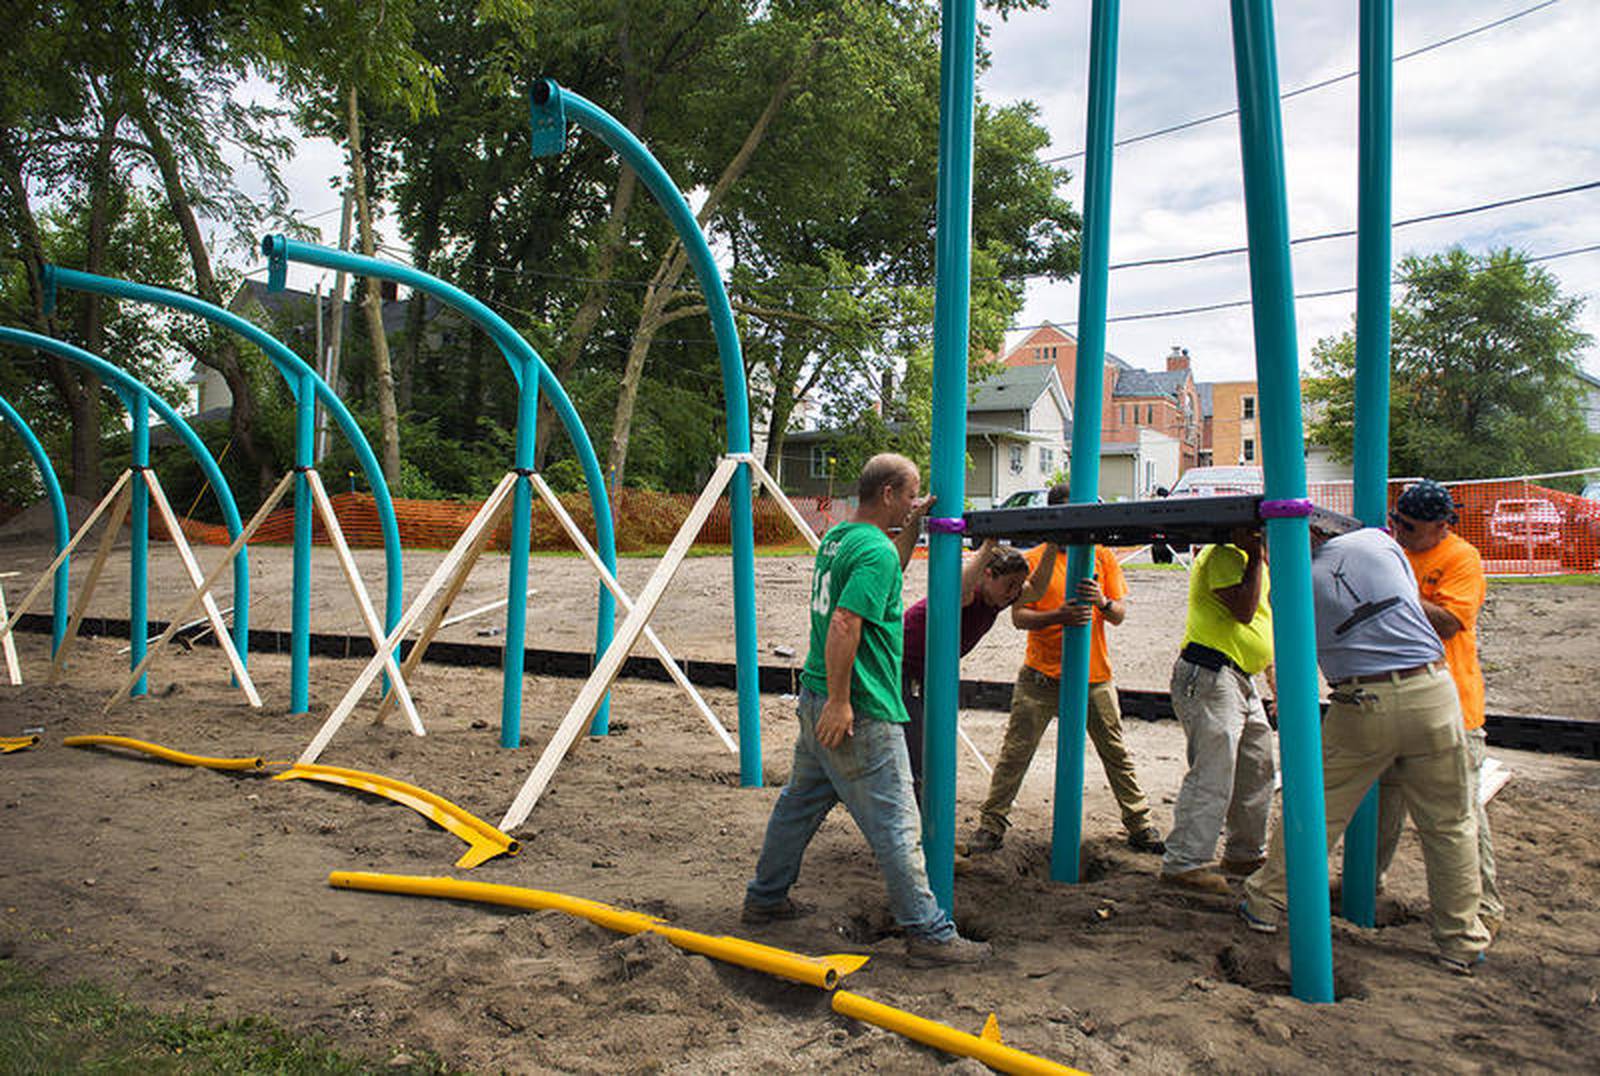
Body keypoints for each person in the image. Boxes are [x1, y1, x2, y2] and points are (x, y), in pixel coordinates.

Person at [744, 453, 990, 965]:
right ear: (887, 495)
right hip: (860, 708)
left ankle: (764, 900)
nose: (914, 500)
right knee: (899, 821)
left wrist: (915, 526)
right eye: (910, 494)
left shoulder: (842, 538)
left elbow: (886, 570)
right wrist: (841, 702)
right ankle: (928, 934)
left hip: (814, 698)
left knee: (799, 805)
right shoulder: (872, 551)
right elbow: (845, 623)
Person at [1241, 517, 1491, 975]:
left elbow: (1297, 645)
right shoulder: (1378, 541)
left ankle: (1266, 902)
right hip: (1432, 691)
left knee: (1316, 811)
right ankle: (1460, 940)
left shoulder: (1292, 588)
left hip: (1363, 701)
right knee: (1451, 825)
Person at [966, 484, 1166, 856]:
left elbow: (1119, 614)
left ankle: (1140, 823)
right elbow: (1019, 617)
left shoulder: (1102, 558)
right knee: (1015, 752)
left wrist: (1102, 602)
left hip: (1094, 676)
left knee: (1115, 751)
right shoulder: (1038, 559)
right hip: (1041, 674)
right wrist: (1059, 616)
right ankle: (990, 825)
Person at [1380, 479, 1503, 936]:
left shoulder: (1460, 558)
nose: (1400, 531)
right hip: (1399, 696)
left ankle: (1483, 907)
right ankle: (1366, 884)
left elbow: (1451, 622)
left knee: (1459, 813)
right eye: (1396, 521)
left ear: (1441, 526)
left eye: (1409, 526)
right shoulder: (1397, 552)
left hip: (1452, 705)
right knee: (1382, 800)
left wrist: (1394, 590)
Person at [1159, 527, 1277, 893]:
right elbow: (1242, 611)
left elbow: (1263, 625)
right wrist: (1255, 555)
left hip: (1240, 675)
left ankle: (1244, 852)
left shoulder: (1257, 563)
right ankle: (1185, 861)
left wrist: (1274, 680)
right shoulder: (1223, 554)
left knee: (1257, 765)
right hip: (1211, 670)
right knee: (1214, 768)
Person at [899, 538, 1048, 806]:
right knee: (916, 751)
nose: (1014, 593)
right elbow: (959, 587)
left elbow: (1036, 590)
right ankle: (917, 828)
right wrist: (989, 543)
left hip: (925, 675)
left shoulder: (997, 598)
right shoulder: (971, 594)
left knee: (929, 749)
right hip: (896, 668)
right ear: (987, 575)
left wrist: (1054, 543)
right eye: (1010, 585)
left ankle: (921, 820)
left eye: (1017, 586)